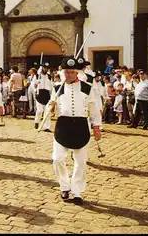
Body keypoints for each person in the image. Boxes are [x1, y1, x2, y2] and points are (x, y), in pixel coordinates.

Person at [51, 56, 102, 205]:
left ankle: (77, 191)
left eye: (72, 72)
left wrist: (96, 127)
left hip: (80, 126)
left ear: (77, 73)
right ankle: (64, 186)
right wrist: (51, 106)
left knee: (80, 162)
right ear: (63, 72)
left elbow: (93, 109)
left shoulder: (87, 88)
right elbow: (52, 107)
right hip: (63, 126)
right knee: (57, 159)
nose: (69, 75)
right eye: (66, 72)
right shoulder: (57, 88)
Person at [35, 62, 53, 131]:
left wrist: (51, 96)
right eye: (44, 68)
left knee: (47, 112)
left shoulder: (49, 76)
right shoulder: (37, 75)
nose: (45, 69)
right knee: (40, 110)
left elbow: (51, 87)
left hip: (47, 94)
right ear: (42, 68)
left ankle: (46, 127)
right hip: (39, 94)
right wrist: (36, 84)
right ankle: (36, 121)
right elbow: (33, 85)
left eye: (47, 68)